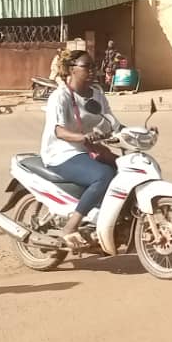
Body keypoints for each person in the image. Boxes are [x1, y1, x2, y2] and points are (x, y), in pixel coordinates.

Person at [39, 50, 119, 249]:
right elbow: (59, 131)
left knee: (123, 169)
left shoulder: (97, 94)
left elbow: (112, 122)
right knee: (104, 175)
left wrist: (137, 133)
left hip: (88, 149)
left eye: (93, 66)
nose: (92, 71)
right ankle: (71, 226)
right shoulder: (60, 96)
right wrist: (82, 137)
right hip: (62, 152)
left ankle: (103, 220)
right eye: (86, 67)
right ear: (72, 69)